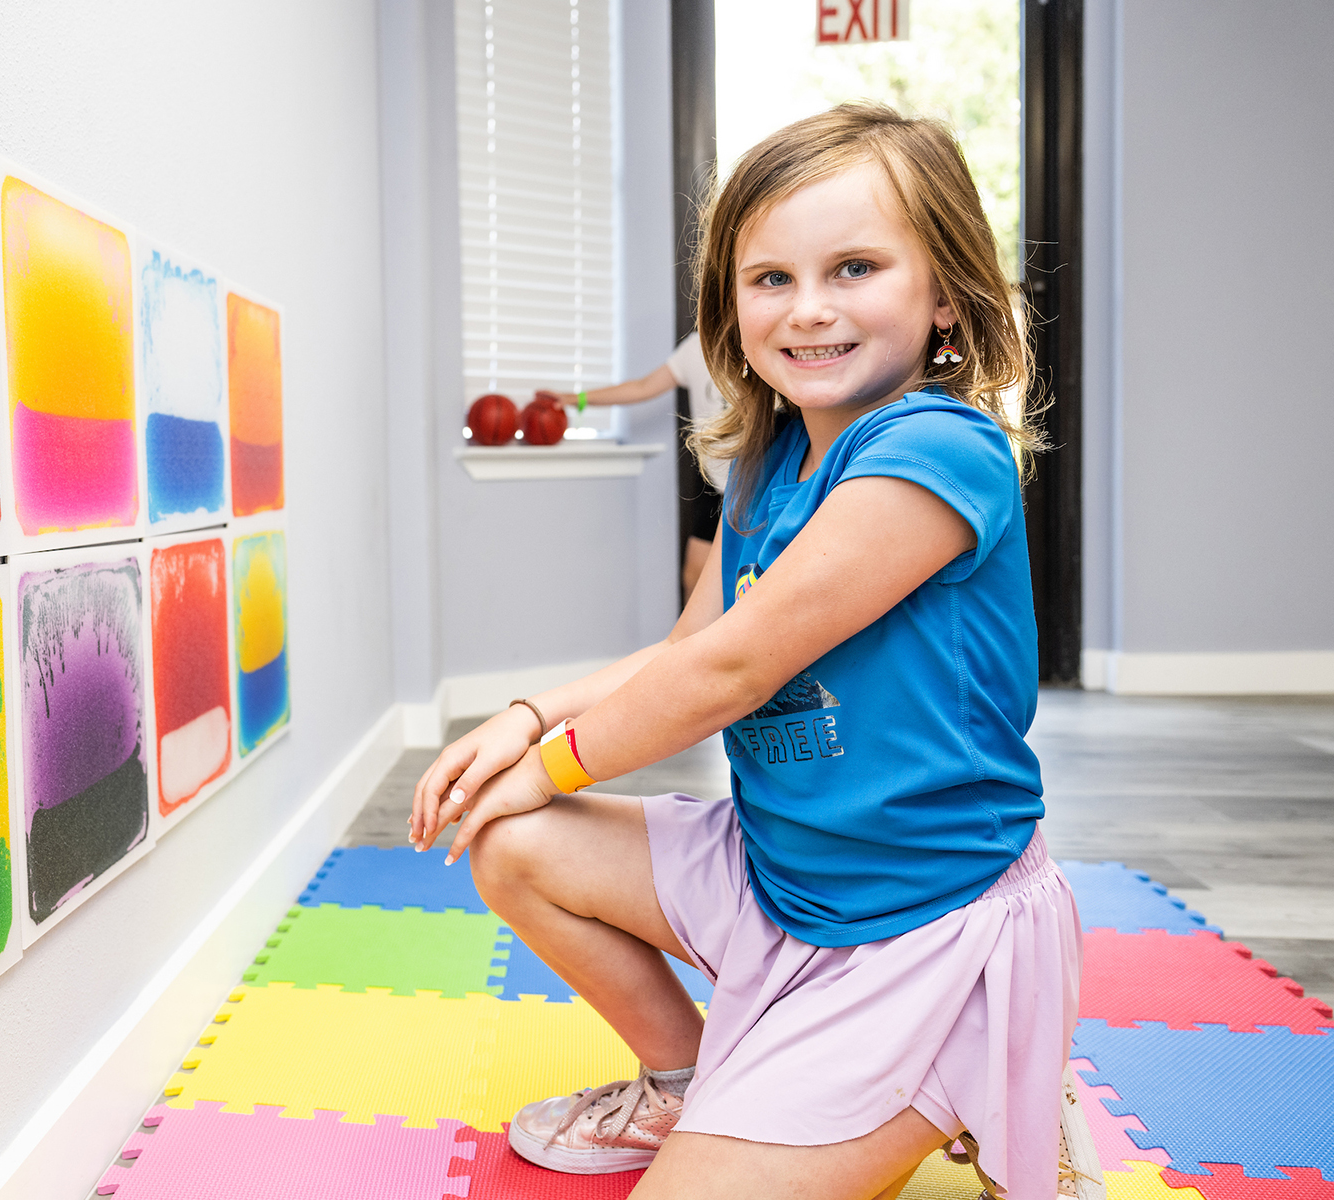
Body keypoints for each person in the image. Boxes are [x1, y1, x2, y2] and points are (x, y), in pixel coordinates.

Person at [409, 104, 1084, 1200]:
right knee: (512, 838)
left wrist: (554, 761)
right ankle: (687, 1081)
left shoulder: (937, 450)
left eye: (854, 267)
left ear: (947, 296)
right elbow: (690, 646)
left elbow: (733, 672)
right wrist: (528, 721)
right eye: (771, 277)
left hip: (921, 934)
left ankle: (978, 1055)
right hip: (780, 879)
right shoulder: (767, 461)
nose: (808, 308)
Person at [541, 337, 727, 599]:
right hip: (713, 479)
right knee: (694, 577)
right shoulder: (696, 347)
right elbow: (642, 387)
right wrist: (574, 399)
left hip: (760, 476)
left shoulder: (756, 341)